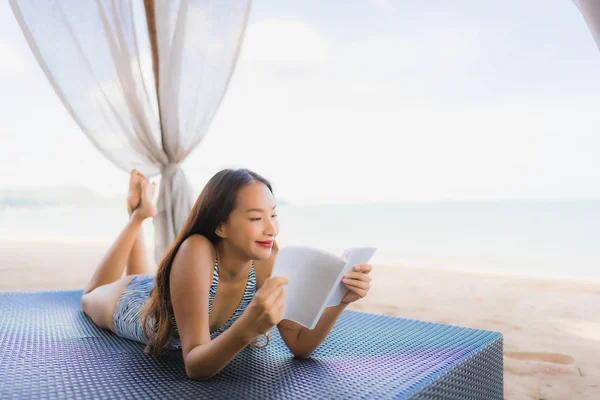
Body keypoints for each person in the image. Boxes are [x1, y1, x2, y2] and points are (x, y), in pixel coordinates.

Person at [80, 168, 373, 380]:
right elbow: (194, 365)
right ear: (220, 226)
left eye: (273, 215)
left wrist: (340, 300)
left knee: (149, 279)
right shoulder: (196, 249)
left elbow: (300, 345)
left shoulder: (267, 258)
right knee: (89, 297)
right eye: (256, 218)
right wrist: (247, 327)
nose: (270, 228)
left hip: (172, 291)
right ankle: (138, 217)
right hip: (133, 303)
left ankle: (140, 216)